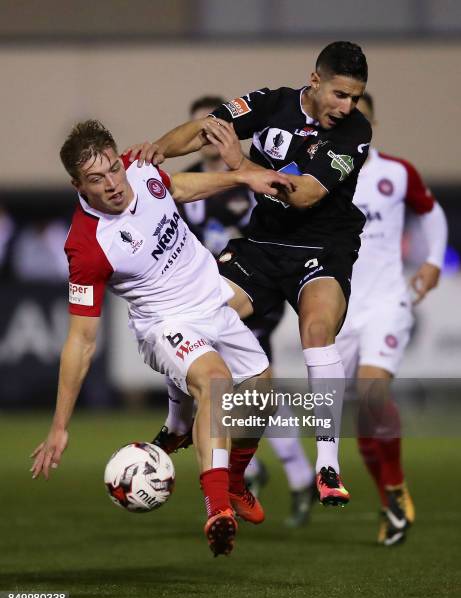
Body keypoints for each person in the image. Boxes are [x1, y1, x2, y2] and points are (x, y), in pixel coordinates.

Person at [29, 119, 294, 557]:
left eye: (114, 168)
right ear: (78, 184)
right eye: (97, 179)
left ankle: (226, 473)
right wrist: (59, 427)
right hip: (165, 323)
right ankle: (217, 509)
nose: (113, 183)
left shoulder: (140, 167)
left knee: (261, 392)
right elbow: (80, 341)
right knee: (216, 383)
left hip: (212, 300)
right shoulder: (87, 246)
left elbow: (179, 187)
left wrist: (241, 175)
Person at [126, 41, 372, 506]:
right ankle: (179, 423)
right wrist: (156, 150)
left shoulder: (354, 132)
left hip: (323, 248)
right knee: (192, 315)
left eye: (355, 97)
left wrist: (241, 165)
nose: (347, 107)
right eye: (340, 94)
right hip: (261, 246)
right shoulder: (270, 102)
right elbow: (205, 131)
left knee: (316, 331)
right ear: (314, 81)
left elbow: (302, 195)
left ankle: (328, 465)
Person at [152, 95, 316, 527]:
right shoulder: (184, 188)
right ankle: (248, 469)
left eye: (211, 129)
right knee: (224, 382)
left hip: (245, 289)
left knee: (253, 383)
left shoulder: (248, 179)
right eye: (199, 131)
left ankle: (291, 474)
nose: (205, 138)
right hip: (201, 294)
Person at [335, 93, 448, 545]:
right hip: (339, 310)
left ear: (372, 122)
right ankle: (390, 501)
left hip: (386, 302)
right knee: (360, 416)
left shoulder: (396, 173)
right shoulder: (321, 175)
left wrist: (433, 260)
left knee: (372, 391)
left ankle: (396, 483)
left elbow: (431, 210)